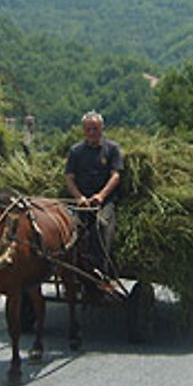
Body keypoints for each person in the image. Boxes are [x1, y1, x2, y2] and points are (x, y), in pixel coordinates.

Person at [65, 111, 123, 277]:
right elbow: (69, 178)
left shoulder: (112, 149)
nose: (92, 133)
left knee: (102, 225)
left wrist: (101, 196)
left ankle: (101, 270)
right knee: (69, 228)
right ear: (83, 130)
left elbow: (116, 176)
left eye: (95, 129)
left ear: (102, 129)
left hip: (105, 200)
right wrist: (79, 197)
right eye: (88, 129)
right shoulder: (75, 151)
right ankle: (71, 267)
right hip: (82, 201)